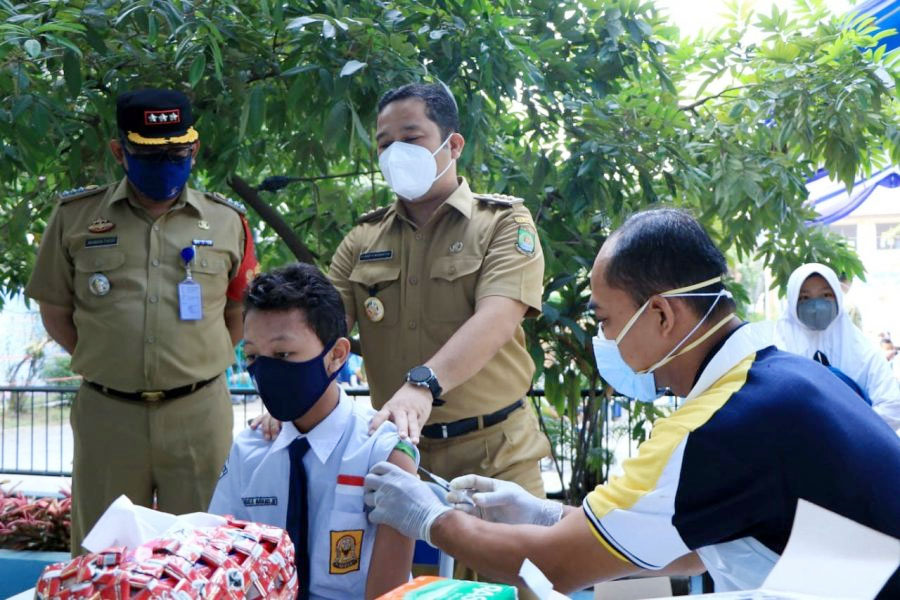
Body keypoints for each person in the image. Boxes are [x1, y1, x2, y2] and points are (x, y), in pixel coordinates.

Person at [362, 208, 900, 597]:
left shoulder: (717, 425)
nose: (604, 340)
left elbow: (559, 568)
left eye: (605, 319)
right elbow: (704, 532)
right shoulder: (783, 378)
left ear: (663, 315)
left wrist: (431, 519)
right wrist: (548, 514)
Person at [255, 83, 550, 496]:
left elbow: (498, 318)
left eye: (411, 138)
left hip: (496, 452)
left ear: (454, 145)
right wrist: (291, 393)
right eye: (384, 143)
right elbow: (320, 328)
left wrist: (423, 384)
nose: (396, 152)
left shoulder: (503, 223)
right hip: (396, 453)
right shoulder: (363, 239)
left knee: (507, 561)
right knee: (397, 564)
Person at [24, 88, 258, 554]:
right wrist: (111, 358)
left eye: (177, 151)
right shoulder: (75, 217)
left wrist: (197, 361)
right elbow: (54, 309)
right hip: (108, 413)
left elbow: (239, 310)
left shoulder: (227, 221)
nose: (166, 161)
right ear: (119, 151)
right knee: (105, 554)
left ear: (194, 148)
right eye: (149, 153)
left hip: (198, 414)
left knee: (198, 553)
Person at [209, 263, 417, 599]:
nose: (266, 370)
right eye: (252, 356)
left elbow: (388, 594)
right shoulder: (250, 450)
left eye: (283, 354)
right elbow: (219, 562)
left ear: (336, 355)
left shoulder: (384, 452)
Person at [774, 263, 900, 430]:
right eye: (804, 298)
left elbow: (892, 406)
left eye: (825, 295)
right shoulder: (775, 350)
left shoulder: (863, 351)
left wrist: (844, 430)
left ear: (838, 298)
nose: (816, 305)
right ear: (792, 302)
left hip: (854, 450)